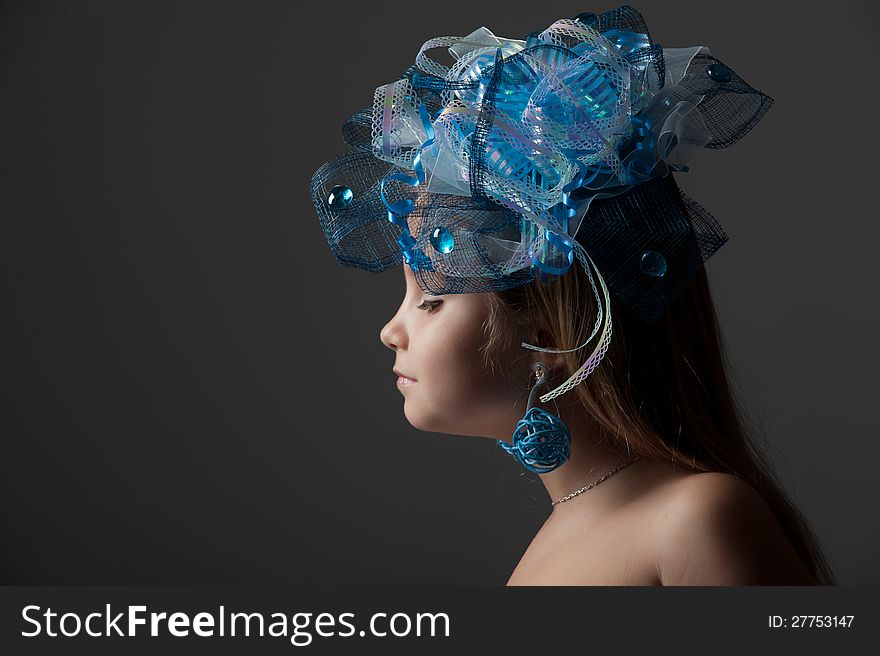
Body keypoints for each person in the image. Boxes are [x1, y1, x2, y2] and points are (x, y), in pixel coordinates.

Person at [311, 5, 835, 585]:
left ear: (550, 336)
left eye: (430, 298)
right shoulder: (567, 531)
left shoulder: (696, 520)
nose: (391, 330)